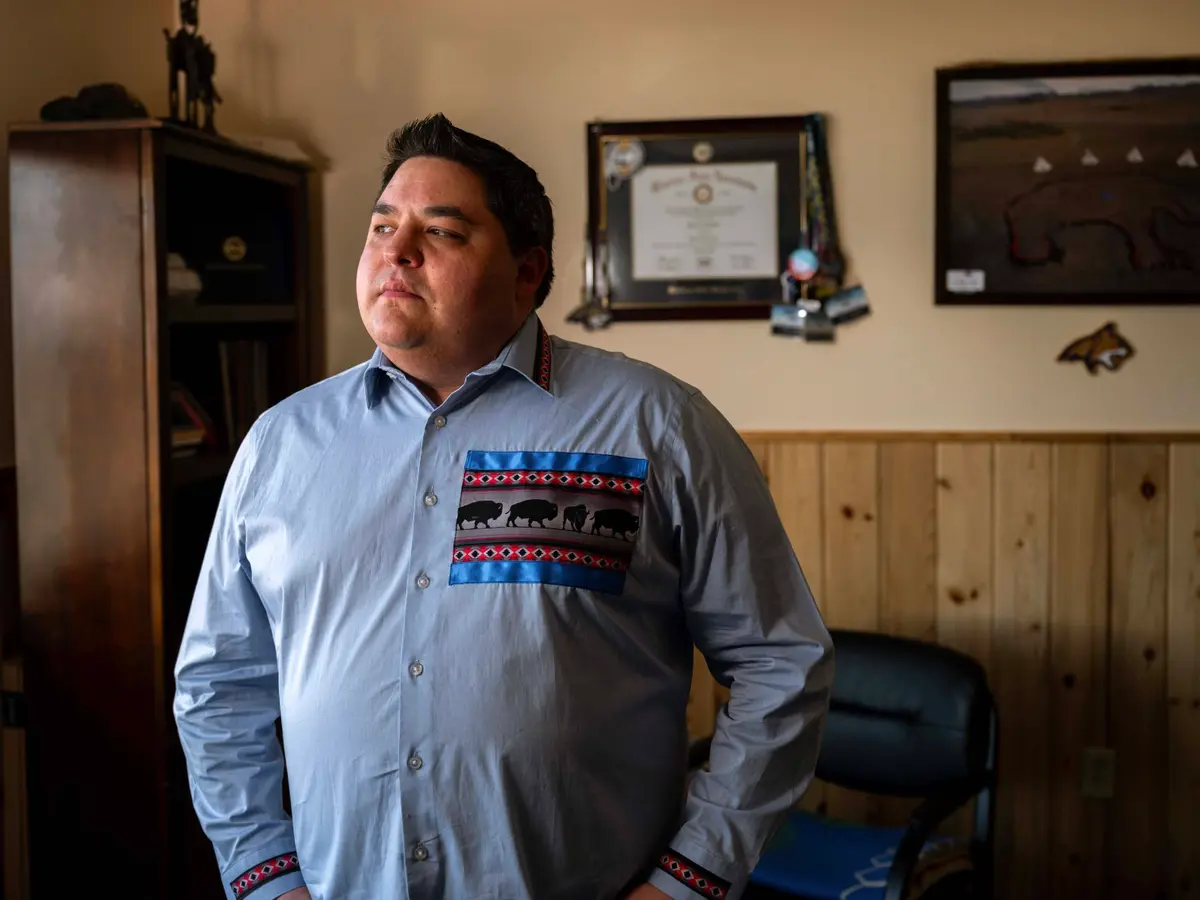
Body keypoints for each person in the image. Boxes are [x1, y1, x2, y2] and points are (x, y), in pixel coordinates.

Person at [173, 113, 834, 900]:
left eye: (442, 232)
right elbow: (220, 683)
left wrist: (692, 877)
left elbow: (778, 661)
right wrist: (262, 873)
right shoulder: (278, 444)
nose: (397, 250)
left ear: (527, 272)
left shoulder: (656, 425)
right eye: (383, 226)